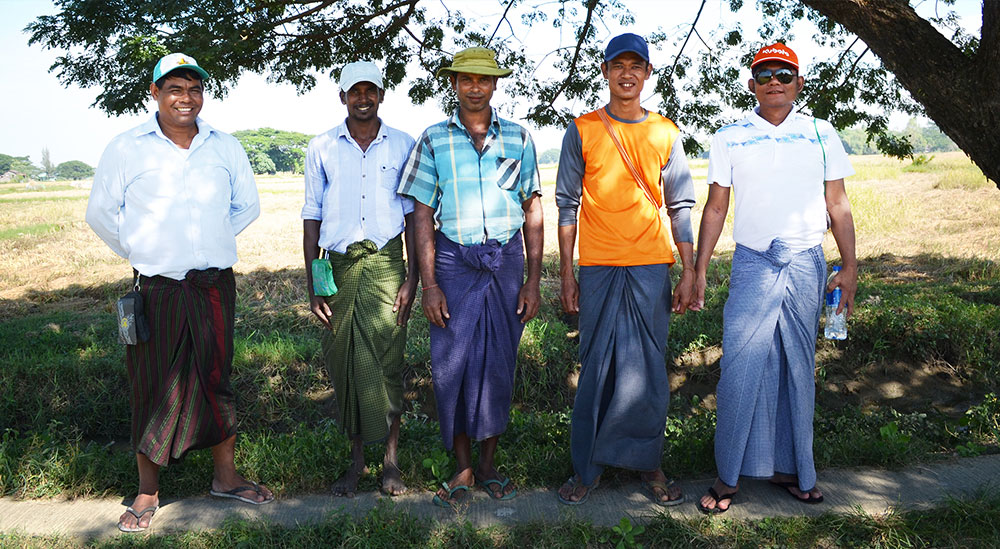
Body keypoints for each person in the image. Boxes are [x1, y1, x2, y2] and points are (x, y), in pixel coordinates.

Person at [86, 52, 272, 533]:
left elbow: (245, 207)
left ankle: (225, 479)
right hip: (157, 290)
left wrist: (208, 245)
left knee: (216, 376)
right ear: (155, 93)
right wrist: (146, 252)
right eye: (174, 88)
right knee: (152, 382)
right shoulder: (127, 148)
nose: (185, 98)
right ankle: (148, 492)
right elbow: (102, 214)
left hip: (212, 286)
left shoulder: (224, 146)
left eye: (194, 88)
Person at [692, 43, 857, 514]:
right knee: (742, 365)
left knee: (796, 366)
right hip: (752, 263)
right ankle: (728, 477)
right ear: (752, 85)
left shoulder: (821, 134)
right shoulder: (730, 136)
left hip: (807, 261)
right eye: (764, 74)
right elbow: (717, 207)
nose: (774, 81)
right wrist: (699, 269)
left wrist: (850, 266)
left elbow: (838, 204)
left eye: (785, 73)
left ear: (799, 83)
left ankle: (794, 471)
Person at [554, 33, 697, 506]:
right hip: (597, 266)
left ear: (648, 74)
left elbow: (680, 204)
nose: (627, 74)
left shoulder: (665, 132)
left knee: (648, 370)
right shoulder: (583, 129)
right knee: (596, 366)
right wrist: (568, 273)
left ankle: (648, 464)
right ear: (605, 71)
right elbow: (566, 205)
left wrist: (690, 270)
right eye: (619, 65)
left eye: (637, 66)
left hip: (651, 266)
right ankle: (587, 468)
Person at [397, 47, 543, 508]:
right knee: (452, 364)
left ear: (495, 85)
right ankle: (461, 467)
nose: (475, 87)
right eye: (466, 79)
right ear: (455, 84)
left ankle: (488, 465)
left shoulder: (518, 138)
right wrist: (430, 284)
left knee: (498, 361)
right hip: (453, 263)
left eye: (484, 79)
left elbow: (532, 210)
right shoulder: (434, 139)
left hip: (505, 262)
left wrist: (534, 279)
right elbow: (422, 214)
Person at [302, 61, 418, 498]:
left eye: (371, 91)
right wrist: (313, 282)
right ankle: (355, 464)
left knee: (387, 364)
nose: (363, 98)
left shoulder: (403, 145)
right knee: (344, 364)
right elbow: (312, 215)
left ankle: (390, 464)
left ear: (382, 96)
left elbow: (414, 218)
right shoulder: (322, 147)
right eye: (355, 91)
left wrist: (414, 280)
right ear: (343, 97)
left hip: (387, 267)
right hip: (337, 269)